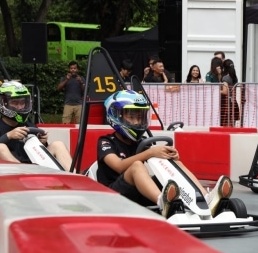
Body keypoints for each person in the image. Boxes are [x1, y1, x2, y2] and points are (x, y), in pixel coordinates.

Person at [96, 90, 233, 219]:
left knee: (175, 163)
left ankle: (205, 198)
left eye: (140, 117)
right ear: (115, 115)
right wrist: (150, 152)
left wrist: (170, 158)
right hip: (112, 196)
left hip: (136, 194)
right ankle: (163, 202)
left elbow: (156, 159)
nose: (137, 122)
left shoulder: (142, 142)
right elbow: (119, 166)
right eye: (131, 116)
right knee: (136, 166)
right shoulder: (106, 142)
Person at [0, 80, 73, 170]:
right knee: (0, 147)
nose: (20, 107)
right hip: (8, 172)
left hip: (32, 166)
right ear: (2, 103)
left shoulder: (29, 125)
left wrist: (43, 142)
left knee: (58, 144)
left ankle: (75, 176)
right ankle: (23, 174)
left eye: (22, 103)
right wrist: (8, 136)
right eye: (15, 102)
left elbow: (37, 151)